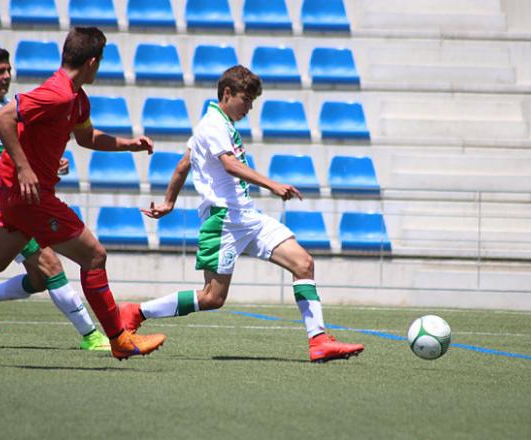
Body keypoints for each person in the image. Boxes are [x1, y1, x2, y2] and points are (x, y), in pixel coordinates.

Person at [0, 27, 166, 360]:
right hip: (28, 196)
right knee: (94, 256)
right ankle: (119, 339)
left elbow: (87, 138)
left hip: (19, 197)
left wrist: (128, 145)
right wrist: (23, 167)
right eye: (100, 62)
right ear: (92, 62)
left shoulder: (77, 100)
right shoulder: (58, 93)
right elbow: (5, 117)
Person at [120, 65, 364, 363]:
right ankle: (136, 312)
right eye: (246, 100)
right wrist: (272, 184)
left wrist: (169, 202)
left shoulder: (217, 125)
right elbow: (230, 165)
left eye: (252, 101)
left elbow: (185, 163)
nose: (249, 107)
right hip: (224, 221)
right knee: (212, 298)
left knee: (303, 263)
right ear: (227, 93)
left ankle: (319, 341)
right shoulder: (212, 126)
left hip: (247, 217)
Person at [0, 45, 110, 351]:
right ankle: (91, 335)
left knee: (35, 279)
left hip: (23, 199)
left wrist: (53, 164)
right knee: (51, 264)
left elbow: (24, 150)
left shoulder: (13, 107)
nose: (6, 76)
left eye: (8, 70)